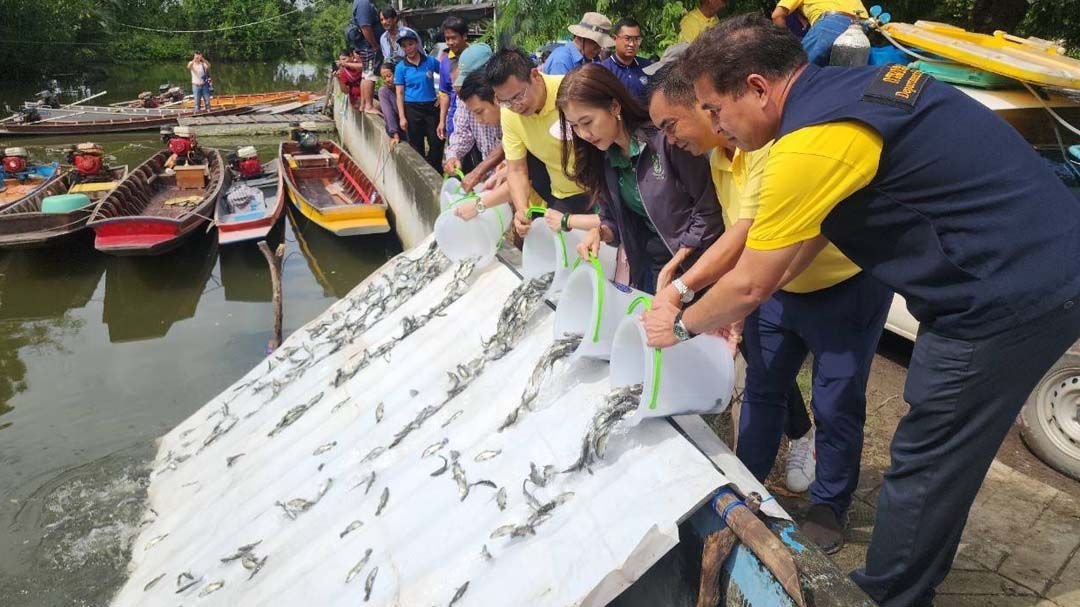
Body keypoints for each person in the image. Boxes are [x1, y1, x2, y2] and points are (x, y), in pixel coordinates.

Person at [647, 16, 1080, 606]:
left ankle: (888, 595)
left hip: (1002, 294)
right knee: (944, 453)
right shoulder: (853, 93)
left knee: (927, 455)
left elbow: (749, 283)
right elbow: (808, 239)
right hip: (1033, 263)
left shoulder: (812, 139)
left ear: (756, 87)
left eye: (714, 109)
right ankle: (915, 574)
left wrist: (676, 323)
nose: (715, 125)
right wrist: (746, 297)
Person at [648, 60, 890, 548]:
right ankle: (748, 484)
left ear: (705, 107)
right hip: (778, 289)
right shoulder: (719, 158)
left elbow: (747, 234)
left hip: (841, 285)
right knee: (762, 388)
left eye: (671, 125)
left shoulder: (769, 145)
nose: (669, 140)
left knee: (836, 398)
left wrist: (682, 308)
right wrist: (731, 304)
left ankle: (829, 506)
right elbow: (740, 238)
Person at [555, 64, 723, 293]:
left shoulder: (667, 141)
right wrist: (600, 232)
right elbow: (614, 220)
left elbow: (709, 210)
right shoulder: (604, 160)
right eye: (574, 126)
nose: (584, 134)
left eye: (587, 122)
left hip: (702, 264)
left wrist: (677, 262)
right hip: (656, 267)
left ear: (614, 106)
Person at [484, 48, 593, 237]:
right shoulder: (509, 113)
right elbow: (517, 169)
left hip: (600, 192)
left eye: (518, 96)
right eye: (505, 101)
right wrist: (520, 209)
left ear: (535, 75)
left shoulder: (569, 93)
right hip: (563, 196)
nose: (515, 106)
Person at [444, 44, 502, 185]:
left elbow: (510, 144)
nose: (479, 120)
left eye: (479, 112)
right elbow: (463, 132)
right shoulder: (465, 96)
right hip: (489, 175)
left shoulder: (509, 99)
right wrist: (453, 155)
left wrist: (479, 171)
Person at [394, 30, 444, 170]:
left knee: (436, 141)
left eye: (410, 44)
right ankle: (421, 172)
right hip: (412, 108)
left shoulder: (430, 61)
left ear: (416, 43)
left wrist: (442, 94)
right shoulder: (401, 67)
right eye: (404, 46)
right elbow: (399, 93)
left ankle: (436, 170)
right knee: (416, 143)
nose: (408, 48)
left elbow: (445, 76)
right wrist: (402, 117)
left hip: (431, 106)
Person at [772, 0, 868, 66]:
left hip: (832, 23)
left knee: (794, 69)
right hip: (863, 27)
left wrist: (787, 44)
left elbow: (777, 15)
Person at [600, 18, 653, 103]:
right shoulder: (603, 70)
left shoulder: (648, 67)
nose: (632, 44)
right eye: (627, 39)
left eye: (636, 39)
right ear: (614, 38)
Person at [542, 12, 614, 75]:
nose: (599, 50)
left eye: (601, 46)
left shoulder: (588, 60)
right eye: (596, 45)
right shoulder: (562, 60)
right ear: (582, 37)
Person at [438, 16, 470, 142]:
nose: (450, 42)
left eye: (454, 38)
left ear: (464, 36)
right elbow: (444, 94)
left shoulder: (476, 56)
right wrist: (442, 121)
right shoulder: (445, 61)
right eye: (447, 38)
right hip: (455, 118)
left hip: (479, 115)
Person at [349, 0, 384, 113]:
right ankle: (369, 105)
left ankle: (364, 104)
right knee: (370, 74)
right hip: (368, 46)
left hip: (366, 46)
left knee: (365, 75)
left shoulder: (361, 2)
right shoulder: (364, 3)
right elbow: (365, 27)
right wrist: (374, 45)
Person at [377, 62, 404, 150]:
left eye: (389, 76)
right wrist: (395, 134)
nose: (387, 80)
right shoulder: (384, 91)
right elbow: (388, 113)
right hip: (397, 127)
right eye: (384, 78)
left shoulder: (405, 86)